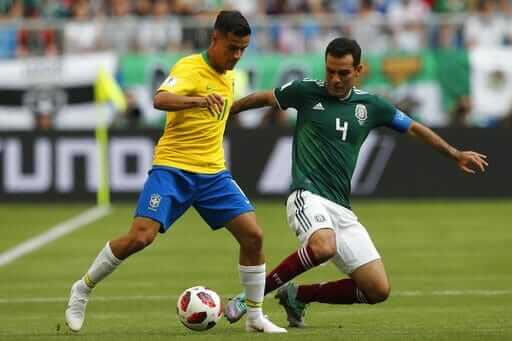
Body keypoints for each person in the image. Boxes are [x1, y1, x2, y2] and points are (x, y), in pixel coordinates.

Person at [224, 37, 488, 327]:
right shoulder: (306, 92)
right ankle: (249, 296)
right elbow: (262, 98)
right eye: (330, 71)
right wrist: (224, 114)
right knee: (323, 246)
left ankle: (297, 295)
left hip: (341, 208)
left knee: (377, 289)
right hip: (307, 194)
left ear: (359, 70)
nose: (335, 79)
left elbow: (413, 127)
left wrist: (455, 154)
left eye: (343, 73)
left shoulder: (371, 106)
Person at [65, 10, 286, 334]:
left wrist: (264, 101)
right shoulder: (189, 67)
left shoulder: (229, 76)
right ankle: (82, 289)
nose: (237, 56)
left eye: (242, 49)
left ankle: (254, 317)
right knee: (141, 237)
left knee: (253, 236)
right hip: (173, 169)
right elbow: (160, 99)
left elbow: (222, 111)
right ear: (215, 38)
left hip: (213, 173)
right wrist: (197, 101)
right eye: (232, 48)